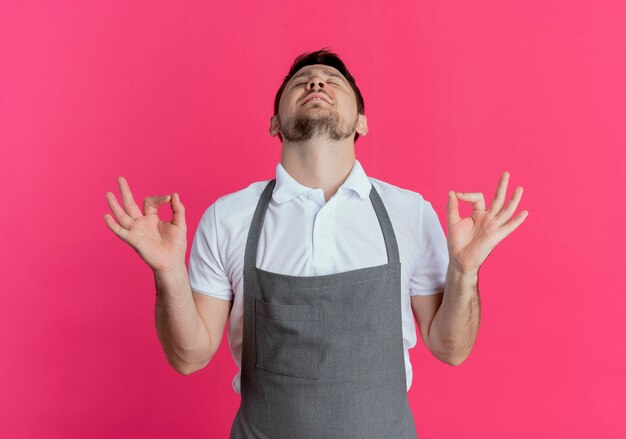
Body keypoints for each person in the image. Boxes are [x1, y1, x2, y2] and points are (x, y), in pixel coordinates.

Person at [104, 48, 528, 438]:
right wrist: (168, 275)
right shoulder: (228, 217)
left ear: (362, 121)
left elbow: (451, 348)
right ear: (274, 122)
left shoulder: (410, 213)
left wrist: (465, 272)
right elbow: (189, 357)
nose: (317, 83)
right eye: (302, 81)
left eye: (332, 80)